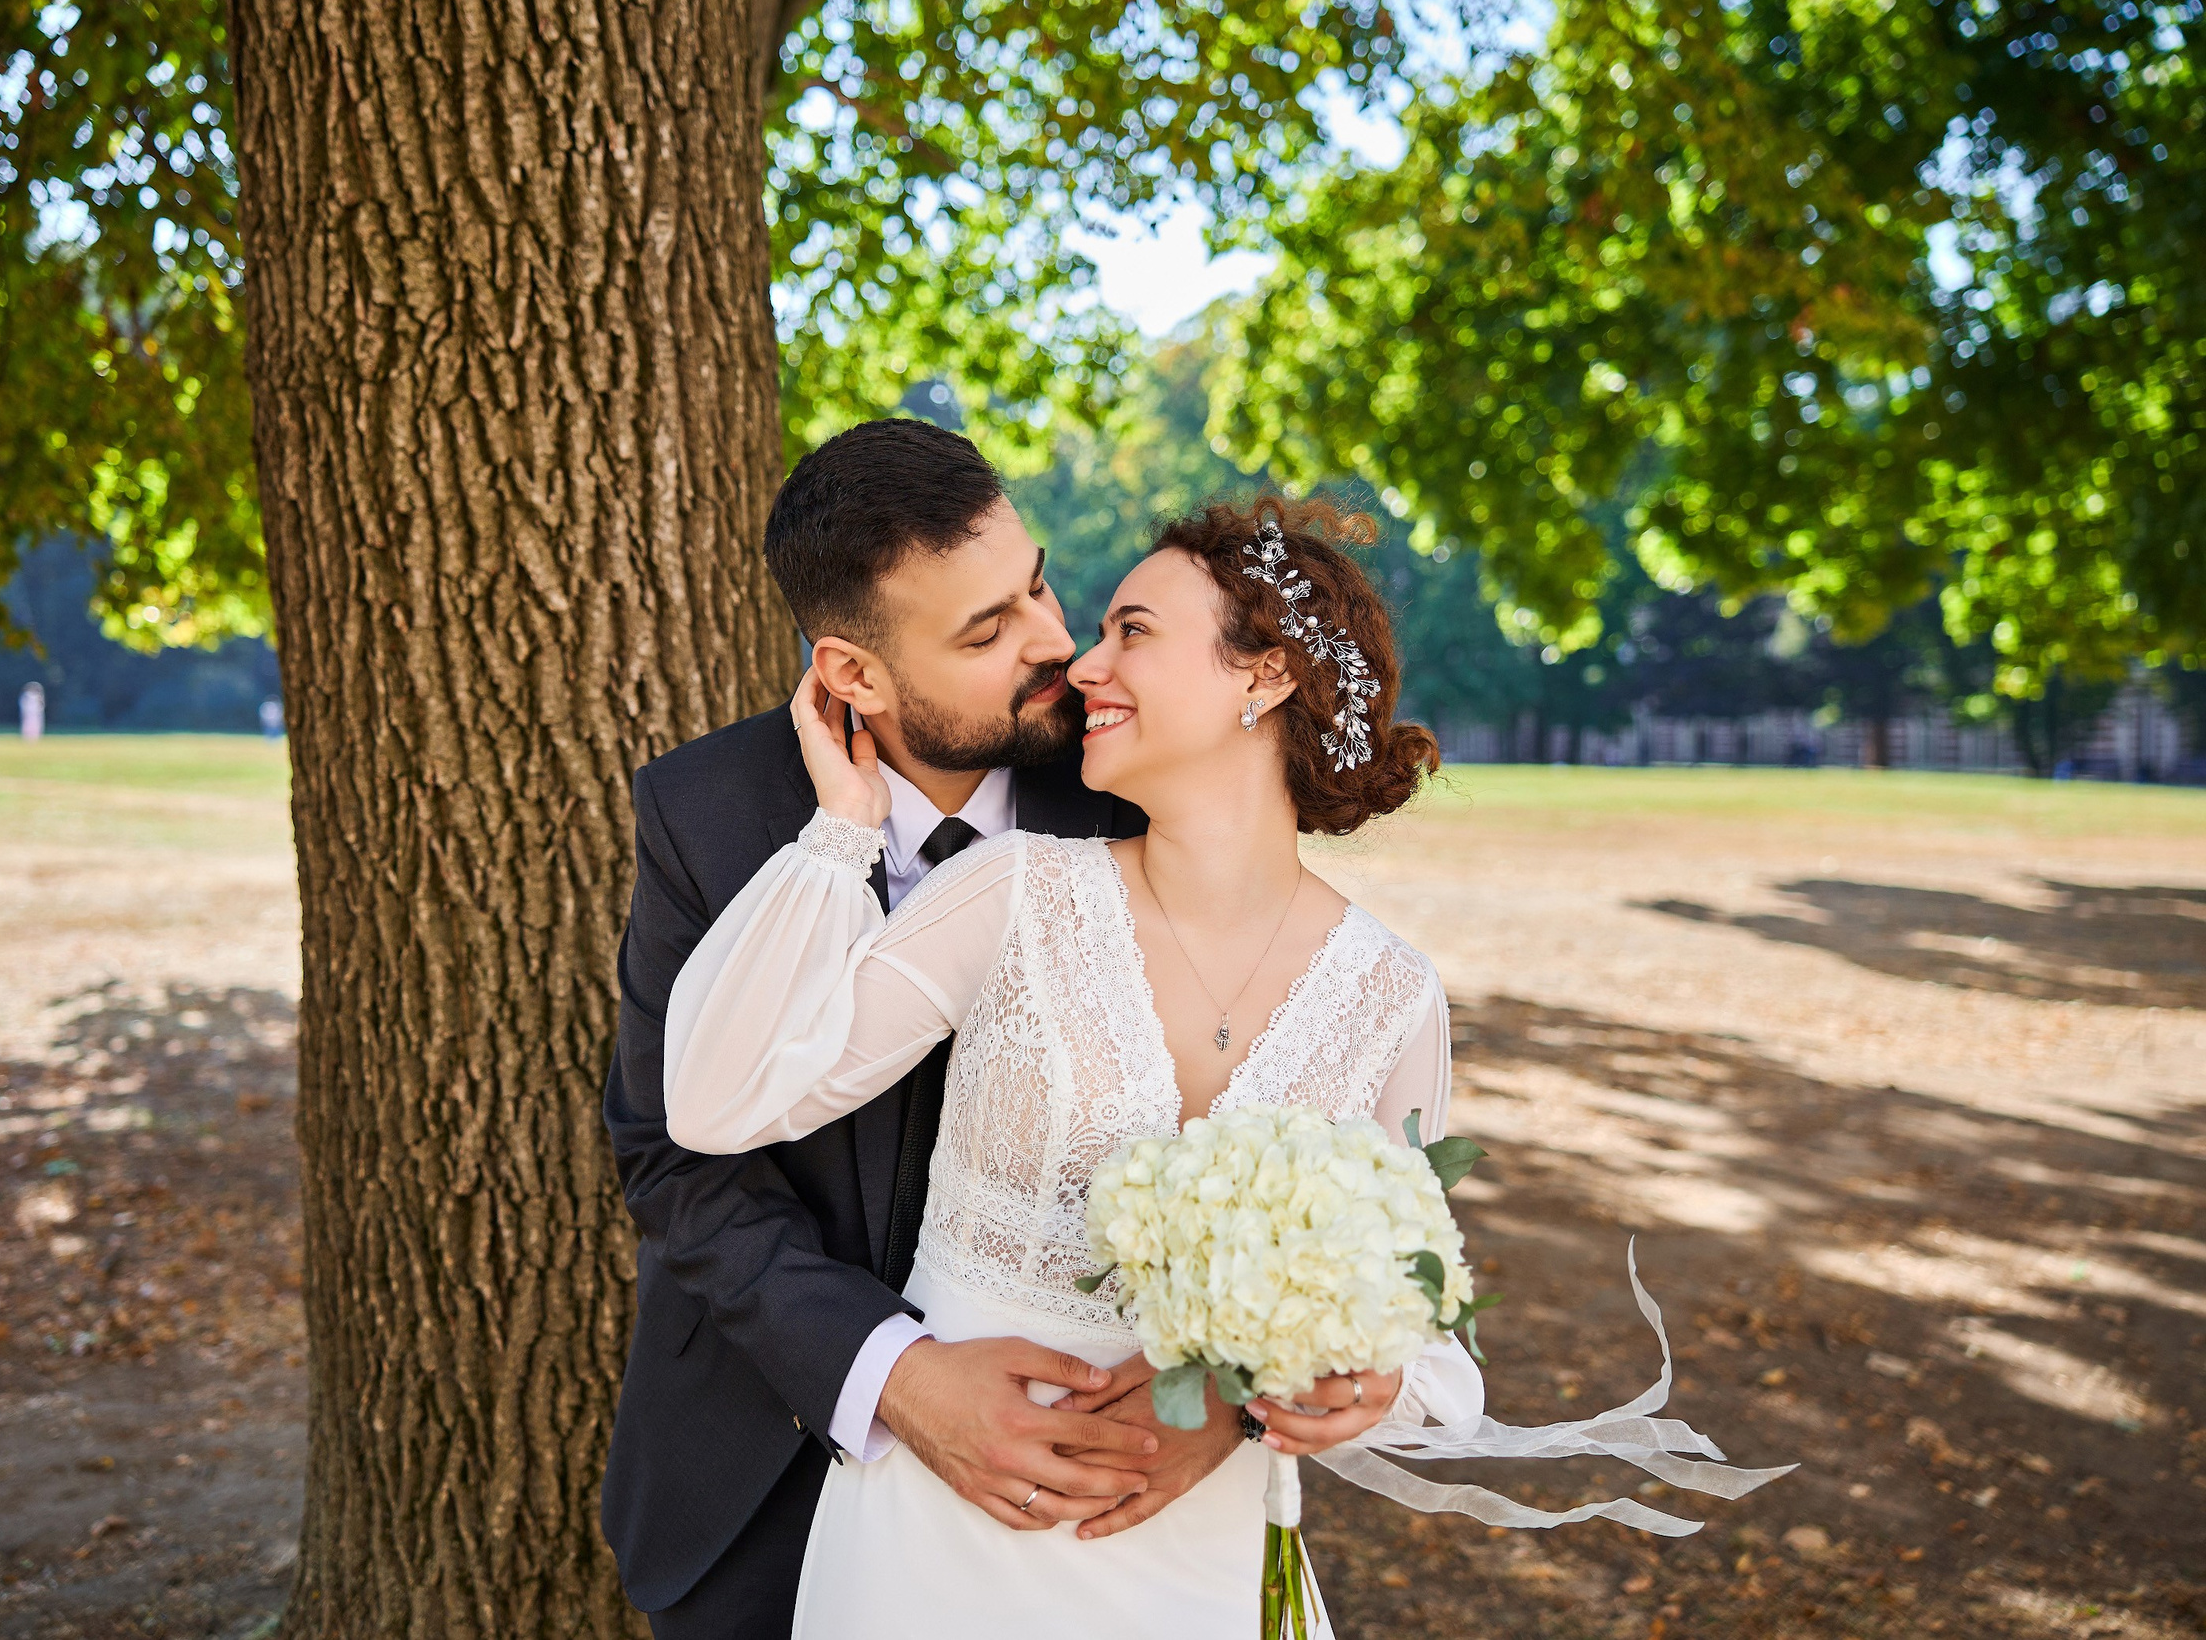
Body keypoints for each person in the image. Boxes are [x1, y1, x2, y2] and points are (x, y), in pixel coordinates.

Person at [659, 496, 1785, 1636]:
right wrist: (843, 827)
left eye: (1131, 631)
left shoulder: (1387, 994)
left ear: (1266, 676)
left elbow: (1421, 1326)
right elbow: (712, 1108)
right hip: (939, 1533)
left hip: (1196, 1552)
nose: (1082, 665)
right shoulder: (1013, 895)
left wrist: (1342, 1387)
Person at [603, 419, 1171, 1636]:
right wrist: (893, 1376)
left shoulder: (1136, 781)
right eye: (985, 632)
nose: (1054, 645)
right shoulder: (704, 811)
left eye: (1036, 587)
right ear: (850, 673)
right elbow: (672, 1158)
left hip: (1077, 1477)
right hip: (765, 1471)